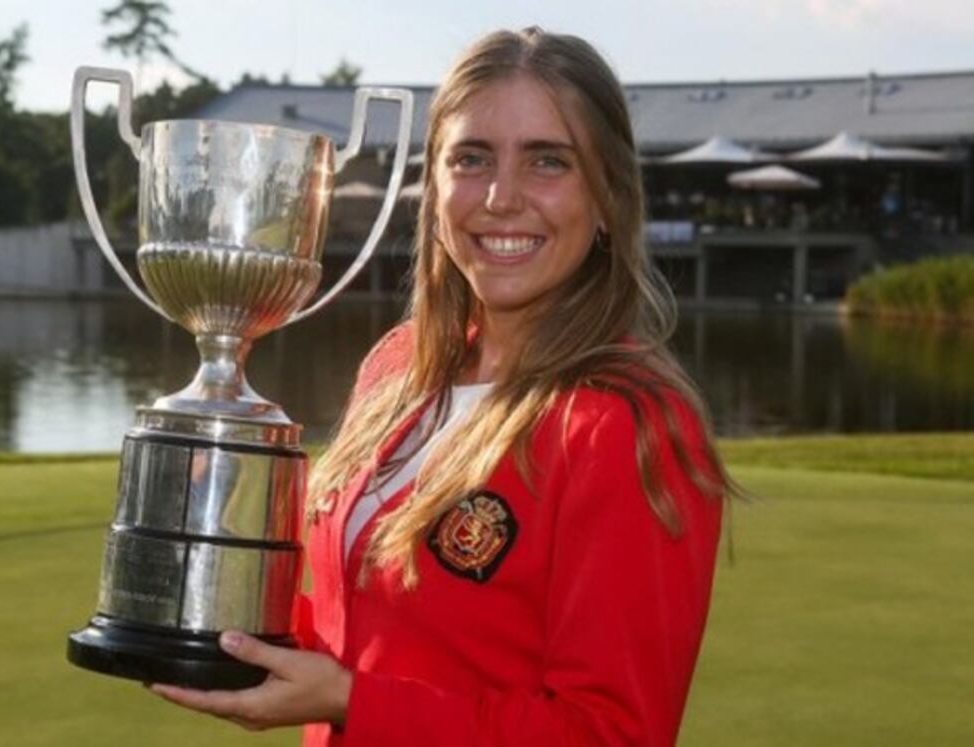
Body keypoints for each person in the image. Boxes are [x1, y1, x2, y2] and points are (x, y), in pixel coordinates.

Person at [150, 26, 735, 746]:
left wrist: (352, 701)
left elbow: (609, 734)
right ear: (435, 187)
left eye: (548, 161)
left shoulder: (625, 424)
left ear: (609, 195)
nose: (500, 197)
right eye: (471, 158)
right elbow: (370, 632)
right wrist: (215, 622)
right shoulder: (399, 367)